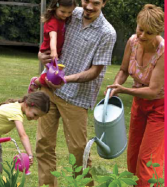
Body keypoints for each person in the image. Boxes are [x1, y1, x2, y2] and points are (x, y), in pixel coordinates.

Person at [35, 0, 117, 186]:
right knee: (43, 146)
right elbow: (50, 34)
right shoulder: (70, 14)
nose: (89, 6)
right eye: (86, 0)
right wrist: (41, 55)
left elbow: (95, 71)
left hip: (76, 97)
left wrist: (66, 79)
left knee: (79, 152)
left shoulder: (107, 32)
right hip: (49, 89)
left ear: (104, 3)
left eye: (95, 3)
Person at [106, 4, 164, 187]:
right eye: (140, 29)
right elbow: (123, 70)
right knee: (132, 155)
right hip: (139, 104)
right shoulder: (132, 42)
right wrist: (117, 84)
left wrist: (125, 91)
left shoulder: (163, 51)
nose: (142, 36)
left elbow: (153, 90)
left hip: (160, 107)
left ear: (157, 32)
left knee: (147, 158)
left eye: (148, 33)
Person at [0, 91, 50, 183]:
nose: (35, 119)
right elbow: (22, 135)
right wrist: (30, 154)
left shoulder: (17, 107)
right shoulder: (16, 112)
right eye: (35, 115)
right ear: (28, 105)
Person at [28, 0, 76, 93]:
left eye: (69, 12)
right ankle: (35, 82)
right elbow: (52, 37)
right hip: (48, 52)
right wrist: (54, 52)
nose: (66, 15)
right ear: (55, 7)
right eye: (63, 12)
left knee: (51, 73)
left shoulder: (61, 19)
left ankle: (39, 84)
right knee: (52, 75)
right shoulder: (52, 21)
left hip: (56, 53)